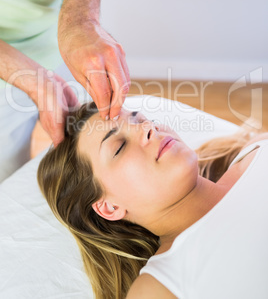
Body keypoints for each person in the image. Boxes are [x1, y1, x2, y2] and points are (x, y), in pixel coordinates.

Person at [37, 101, 268, 299]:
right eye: (119, 147)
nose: (148, 127)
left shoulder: (257, 149)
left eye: (139, 120)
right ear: (109, 207)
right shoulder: (160, 287)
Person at [0, 0, 130, 182]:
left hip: (59, 42)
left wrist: (79, 21)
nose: (146, 128)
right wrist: (29, 78)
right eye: (119, 148)